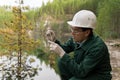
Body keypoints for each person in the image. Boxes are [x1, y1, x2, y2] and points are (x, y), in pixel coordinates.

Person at [46, 10, 112, 80]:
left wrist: (62, 53)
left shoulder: (97, 47)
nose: (72, 33)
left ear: (87, 32)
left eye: (76, 30)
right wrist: (54, 40)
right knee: (62, 62)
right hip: (84, 70)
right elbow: (65, 48)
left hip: (98, 76)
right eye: (72, 29)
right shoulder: (77, 39)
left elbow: (81, 72)